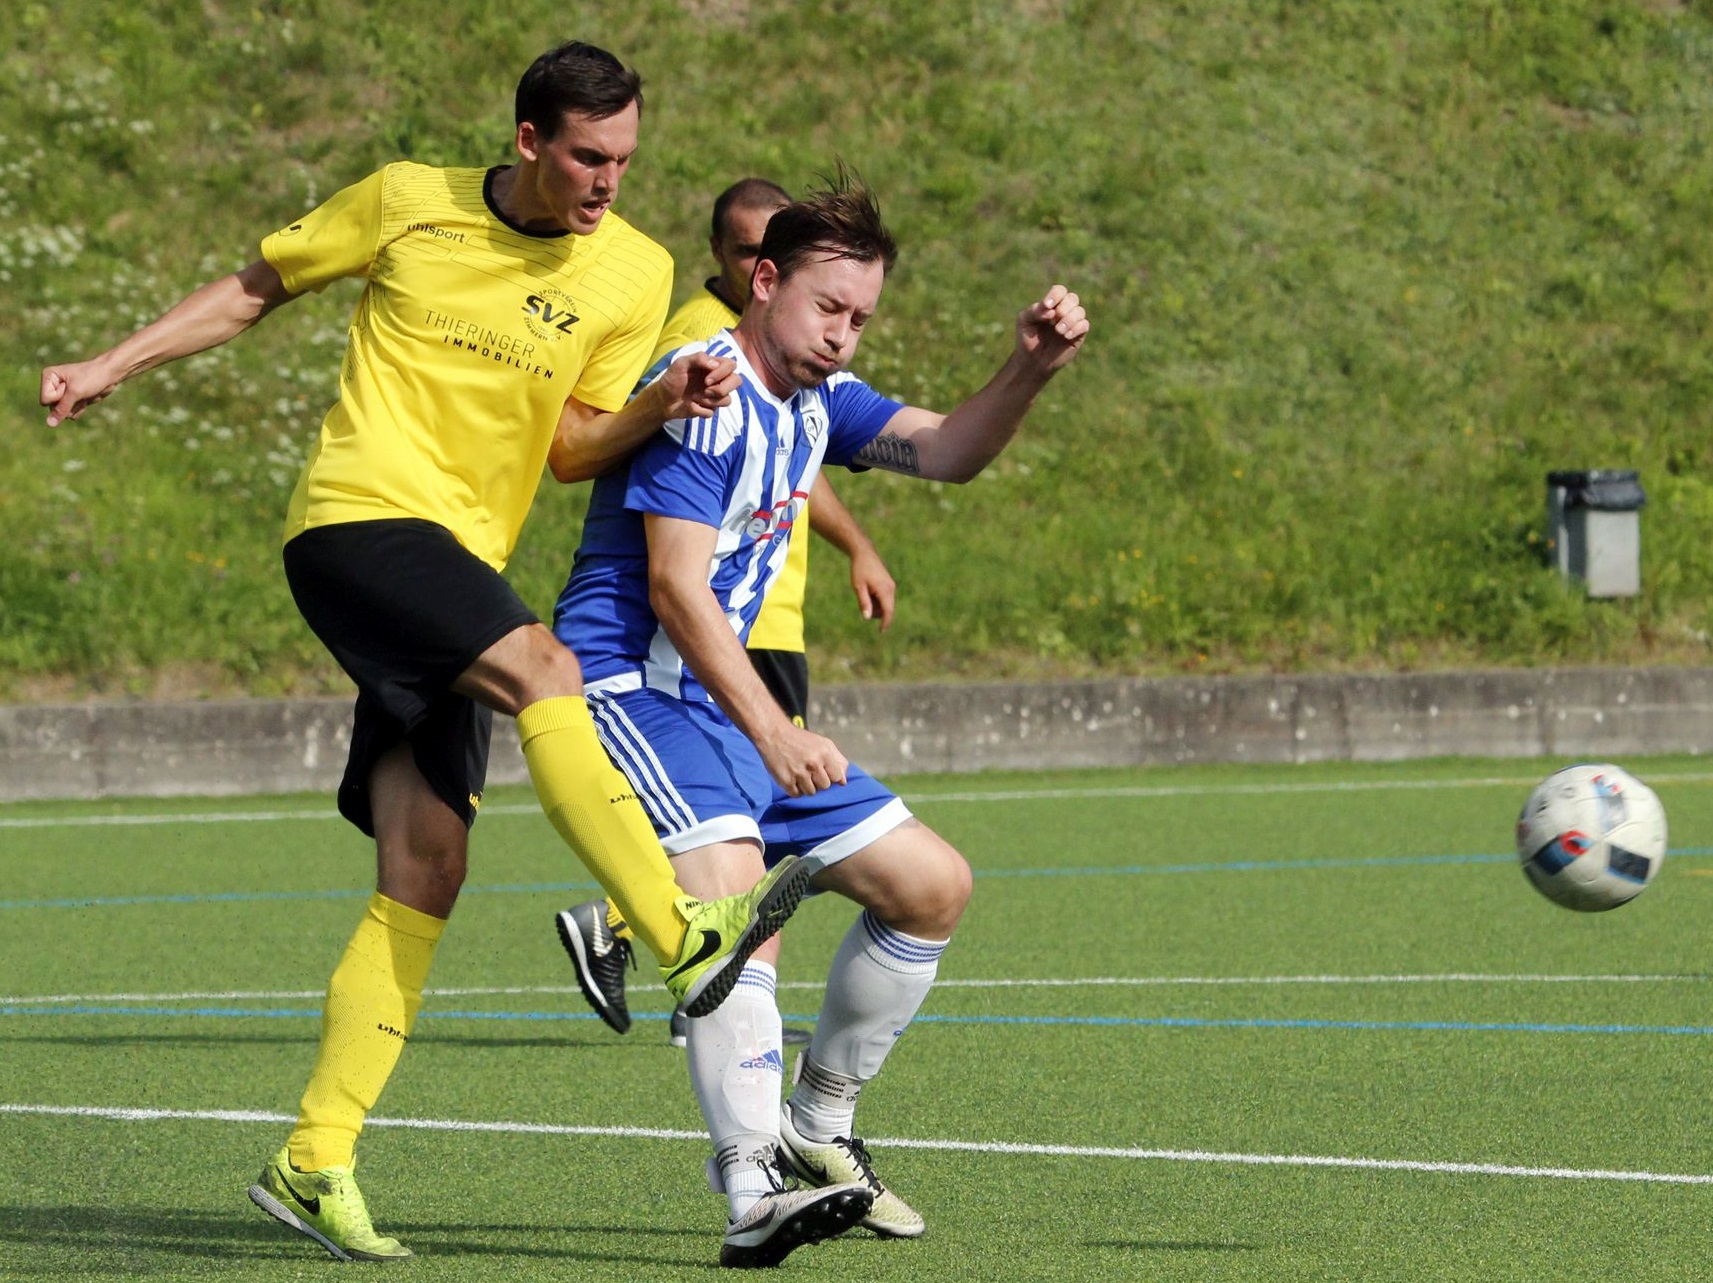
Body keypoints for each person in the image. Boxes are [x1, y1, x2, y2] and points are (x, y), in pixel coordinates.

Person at [36, 41, 813, 1263]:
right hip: (356, 523)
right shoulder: (409, 201)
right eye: (588, 157)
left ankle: (313, 1156)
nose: (610, 180)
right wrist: (107, 365)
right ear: (528, 144)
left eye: (625, 159)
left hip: (459, 570)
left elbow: (571, 445)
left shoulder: (634, 272)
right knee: (548, 670)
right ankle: (680, 935)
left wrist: (660, 407)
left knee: (428, 863)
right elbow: (253, 287)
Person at [550, 171, 1087, 1267]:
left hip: (721, 696)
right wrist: (777, 732)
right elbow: (676, 592)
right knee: (732, 901)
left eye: (860, 319)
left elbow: (945, 451)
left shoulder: (815, 400)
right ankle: (750, 1187)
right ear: (763, 281)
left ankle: (818, 1121)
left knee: (931, 884)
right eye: (828, 309)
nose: (843, 337)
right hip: (634, 690)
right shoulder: (705, 387)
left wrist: (1028, 371)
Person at [554, 177, 896, 1048]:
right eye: (744, 252)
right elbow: (656, 520)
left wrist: (855, 543)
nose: (753, 265)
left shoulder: (808, 373)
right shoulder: (698, 353)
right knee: (737, 833)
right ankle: (661, 945)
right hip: (691, 642)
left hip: (760, 619)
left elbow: (806, 451)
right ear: (746, 268)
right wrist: (664, 398)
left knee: (757, 829)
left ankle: (669, 944)